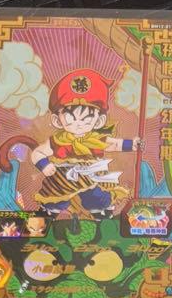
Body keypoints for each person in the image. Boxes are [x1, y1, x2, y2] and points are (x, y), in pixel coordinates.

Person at [28, 69, 142, 219]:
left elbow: (114, 144)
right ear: (57, 120)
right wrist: (44, 165)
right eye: (71, 117)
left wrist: (132, 144)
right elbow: (37, 153)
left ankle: (102, 213)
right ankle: (49, 215)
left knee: (96, 197)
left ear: (99, 120)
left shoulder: (95, 139)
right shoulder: (58, 140)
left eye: (87, 118)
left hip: (91, 176)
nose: (79, 123)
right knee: (54, 199)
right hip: (62, 178)